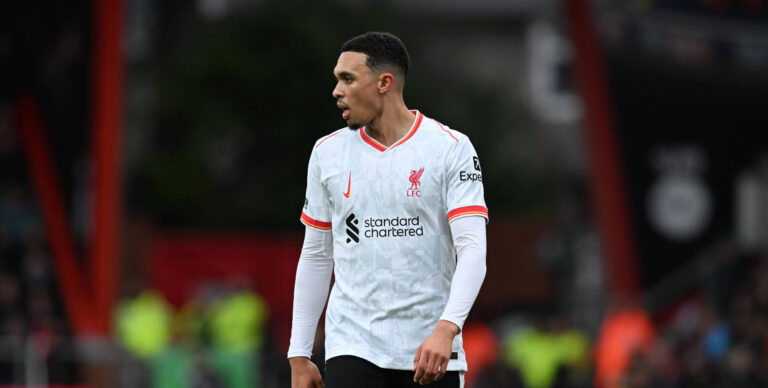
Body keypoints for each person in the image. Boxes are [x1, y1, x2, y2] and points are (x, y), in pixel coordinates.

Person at [288, 31, 488, 388]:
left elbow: (472, 249)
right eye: (337, 80)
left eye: (347, 79)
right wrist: (299, 353)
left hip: (430, 348)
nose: (337, 91)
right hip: (352, 344)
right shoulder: (327, 153)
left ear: (384, 82)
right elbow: (317, 255)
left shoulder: (451, 149)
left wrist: (447, 328)